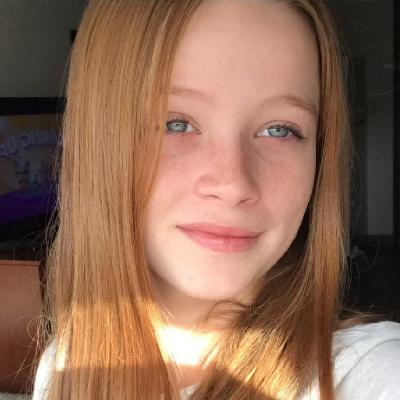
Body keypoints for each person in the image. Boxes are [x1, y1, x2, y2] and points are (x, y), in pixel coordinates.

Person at [31, 0, 400, 399]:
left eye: (280, 129)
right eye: (175, 123)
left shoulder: (372, 374)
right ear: (99, 142)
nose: (233, 183)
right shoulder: (65, 366)